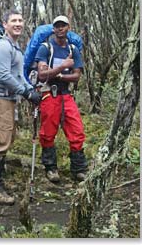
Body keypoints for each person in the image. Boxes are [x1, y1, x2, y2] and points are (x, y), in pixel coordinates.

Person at [0, 9, 41, 205]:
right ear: (5, 25)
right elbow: (3, 75)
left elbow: (19, 76)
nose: (18, 23)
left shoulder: (15, 47)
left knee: (6, 139)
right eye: (13, 21)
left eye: (20, 20)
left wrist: (31, 91)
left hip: (10, 100)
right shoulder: (2, 46)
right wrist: (26, 93)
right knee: (0, 141)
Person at [35, 15, 88, 183]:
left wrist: (59, 75)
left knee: (76, 130)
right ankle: (51, 168)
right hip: (49, 93)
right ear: (53, 29)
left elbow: (76, 76)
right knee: (48, 132)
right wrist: (62, 68)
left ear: (68, 28)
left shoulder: (73, 49)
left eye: (63, 25)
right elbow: (42, 75)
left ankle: (78, 169)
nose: (60, 28)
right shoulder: (45, 48)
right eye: (57, 25)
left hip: (66, 94)